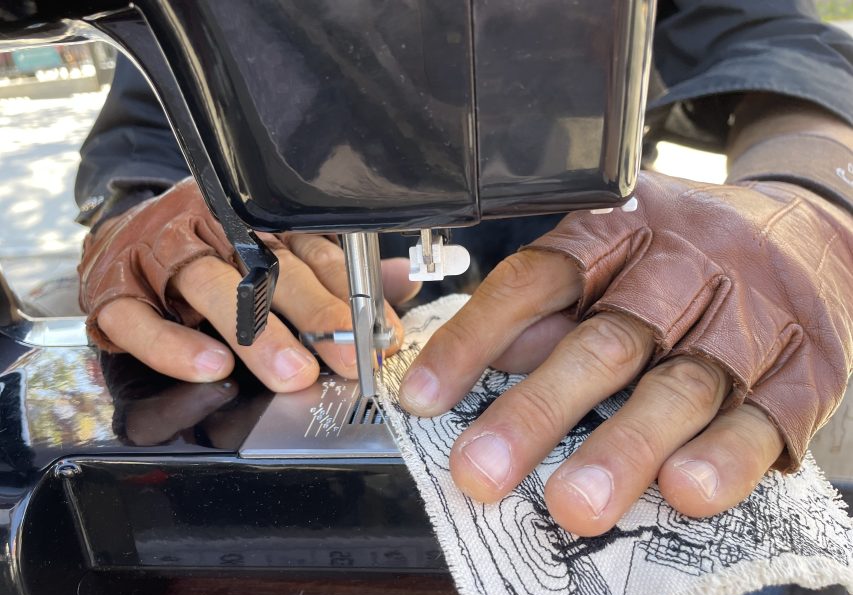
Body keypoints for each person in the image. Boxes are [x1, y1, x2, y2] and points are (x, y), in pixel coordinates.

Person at [76, 0, 852, 554]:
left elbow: (777, 41)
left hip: (603, 271)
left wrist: (809, 201)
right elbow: (152, 118)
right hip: (308, 275)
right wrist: (144, 221)